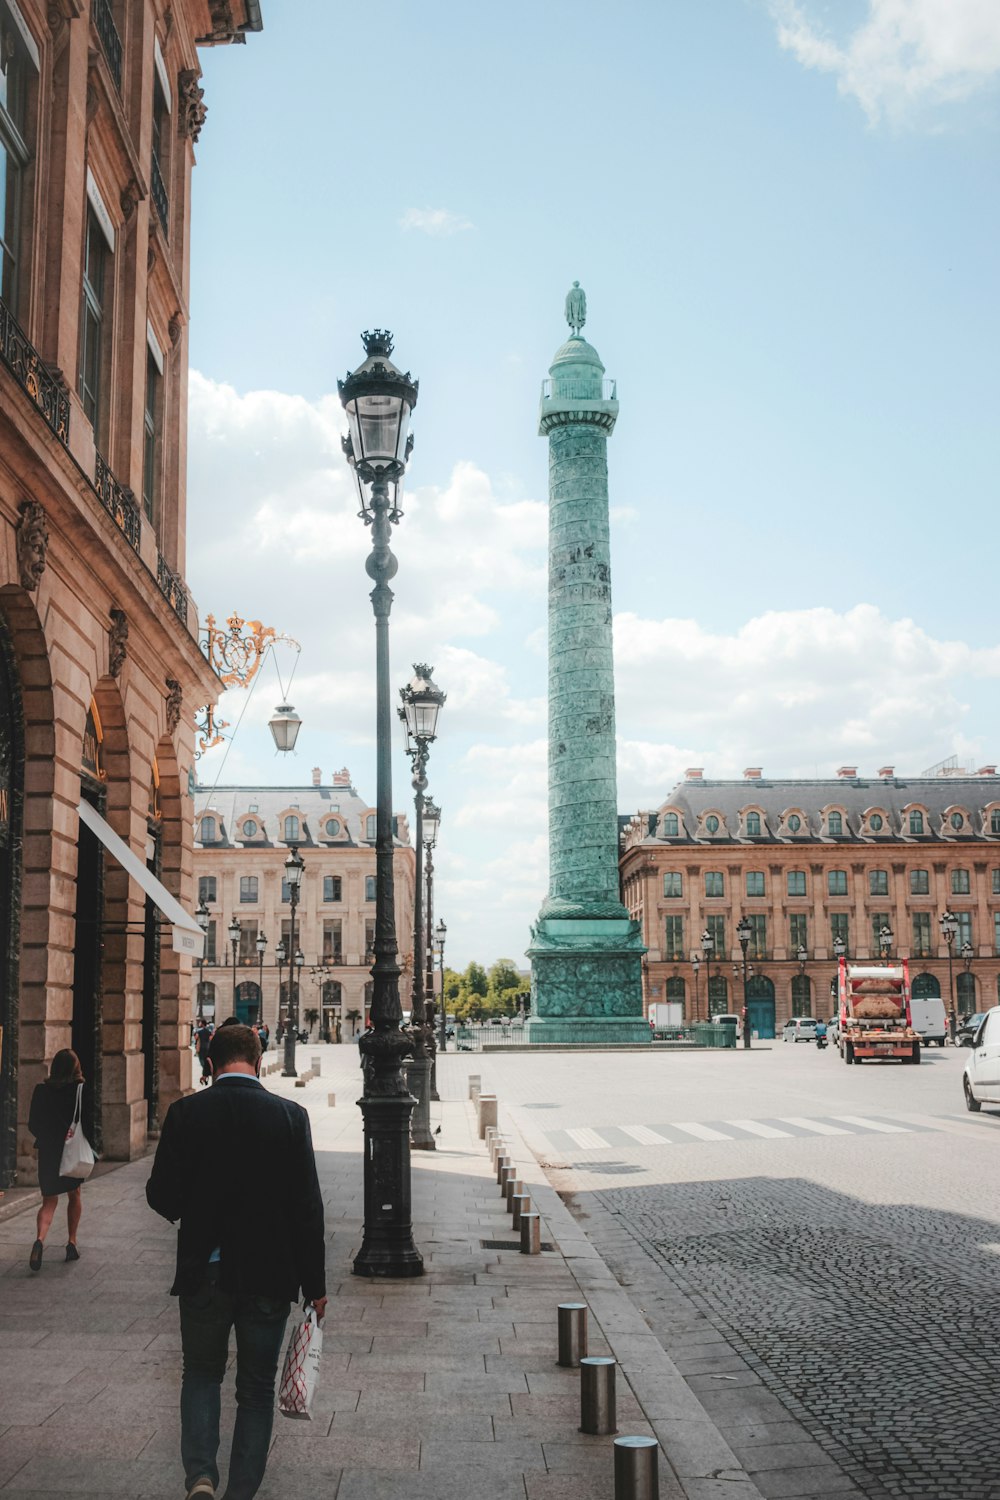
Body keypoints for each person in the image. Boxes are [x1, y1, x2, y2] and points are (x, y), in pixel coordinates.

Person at [146, 1023, 326, 1500]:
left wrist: (197, 1211)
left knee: (201, 1373)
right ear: (260, 1057)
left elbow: (159, 1194)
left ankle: (201, 1477)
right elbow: (308, 1208)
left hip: (205, 1269)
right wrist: (316, 1285)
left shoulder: (186, 1113)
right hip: (269, 1275)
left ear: (210, 1061)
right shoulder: (290, 1117)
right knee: (255, 1389)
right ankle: (241, 1492)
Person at [27, 1048, 88, 1271]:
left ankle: (40, 1240)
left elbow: (33, 1123)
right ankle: (71, 1241)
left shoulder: (41, 1091)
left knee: (49, 1200)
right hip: (70, 1151)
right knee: (75, 1194)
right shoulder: (79, 1090)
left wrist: (47, 1137)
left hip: (48, 1151)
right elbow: (86, 1122)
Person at [194, 1017, 213, 1086]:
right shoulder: (209, 1031)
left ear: (202, 1023)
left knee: (202, 1062)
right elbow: (211, 1038)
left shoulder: (199, 1031)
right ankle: (206, 1074)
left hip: (201, 1048)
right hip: (207, 1048)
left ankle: (205, 1074)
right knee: (205, 1062)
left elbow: (196, 1037)